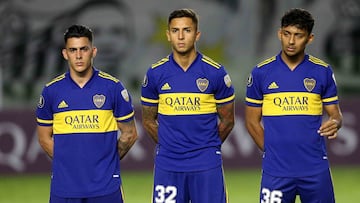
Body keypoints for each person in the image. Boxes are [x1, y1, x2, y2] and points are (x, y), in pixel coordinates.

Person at [245, 8, 343, 203]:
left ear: (310, 39)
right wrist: (272, 151)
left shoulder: (322, 71)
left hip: (315, 169)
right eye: (287, 34)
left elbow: (335, 114)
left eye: (298, 36)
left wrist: (336, 122)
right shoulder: (260, 73)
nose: (291, 41)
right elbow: (251, 122)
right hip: (276, 172)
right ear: (279, 34)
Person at [141, 8, 235, 203]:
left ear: (197, 34)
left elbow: (228, 121)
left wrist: (207, 147)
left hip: (206, 163)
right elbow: (148, 121)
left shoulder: (215, 72)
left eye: (187, 30)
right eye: (175, 31)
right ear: (168, 35)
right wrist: (170, 144)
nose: (181, 36)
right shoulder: (155, 74)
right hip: (168, 163)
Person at [36, 24, 138, 203]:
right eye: (73, 50)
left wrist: (106, 162)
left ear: (94, 51)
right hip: (65, 187)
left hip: (106, 187)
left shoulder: (113, 88)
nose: (78, 55)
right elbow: (44, 137)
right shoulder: (51, 91)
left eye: (84, 49)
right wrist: (69, 164)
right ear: (65, 53)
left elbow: (130, 133)